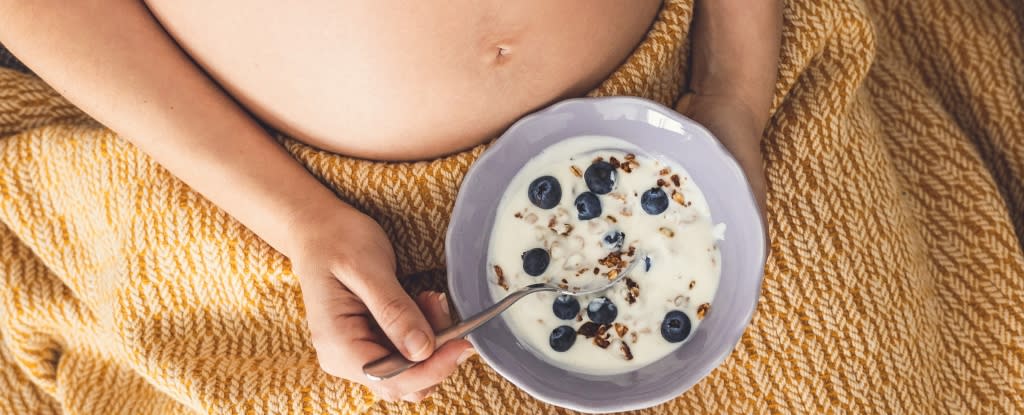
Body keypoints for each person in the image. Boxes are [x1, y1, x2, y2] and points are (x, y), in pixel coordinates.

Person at [0, 0, 780, 404]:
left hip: (684, 104)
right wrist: (300, 220)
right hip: (289, 189)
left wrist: (735, 90)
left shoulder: (723, 100)